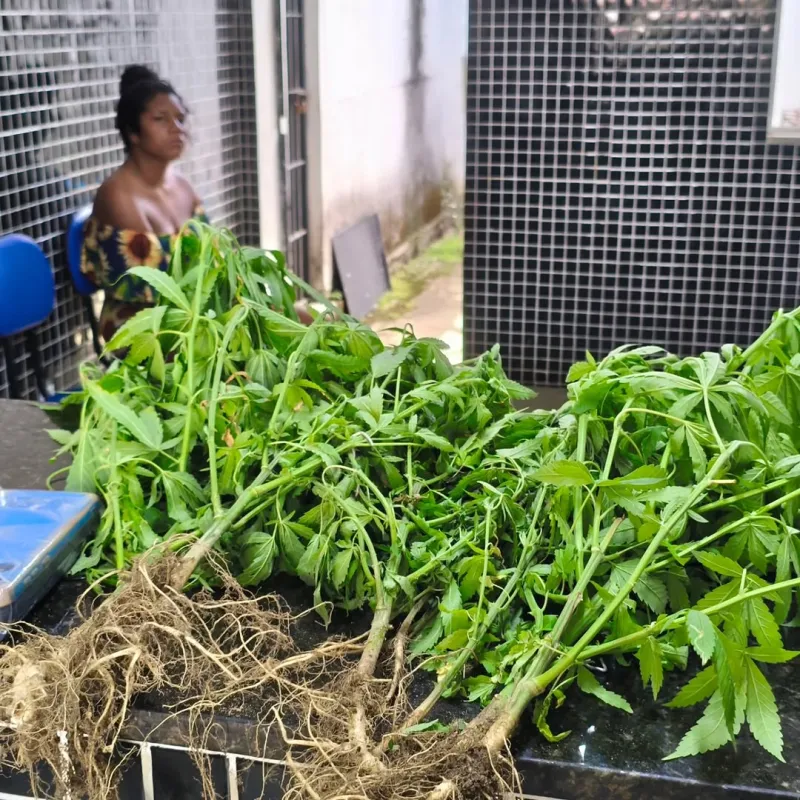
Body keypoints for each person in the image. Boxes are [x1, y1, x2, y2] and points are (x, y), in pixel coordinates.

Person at [81, 65, 205, 342]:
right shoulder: (118, 195)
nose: (177, 129)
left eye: (181, 119)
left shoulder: (182, 185)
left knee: (298, 316)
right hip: (142, 327)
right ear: (133, 133)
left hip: (193, 315)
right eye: (161, 119)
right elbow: (159, 289)